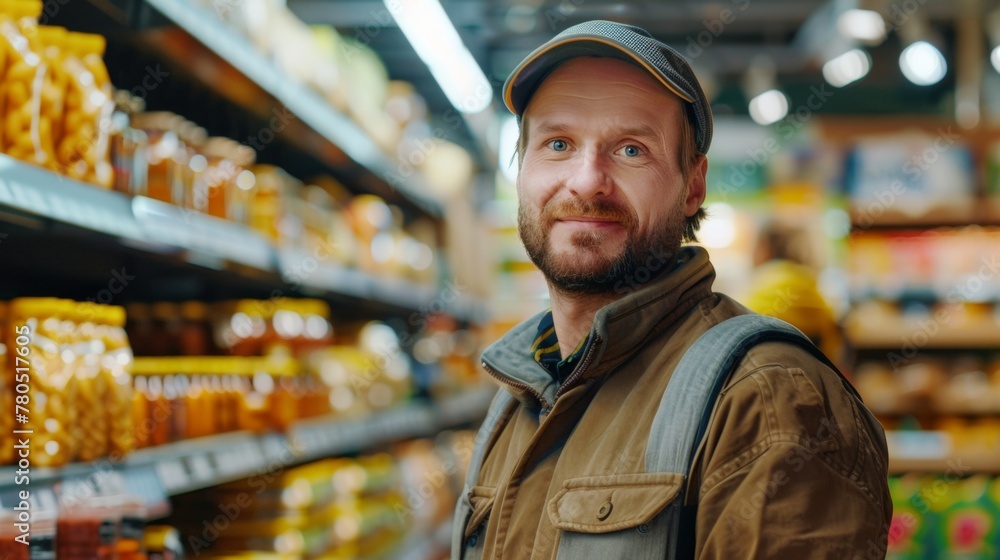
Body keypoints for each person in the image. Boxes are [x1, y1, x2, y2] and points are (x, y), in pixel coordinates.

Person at [453, 20, 891, 560]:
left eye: (632, 150)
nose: (588, 179)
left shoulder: (767, 399)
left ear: (694, 185)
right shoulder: (514, 398)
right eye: (558, 143)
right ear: (522, 171)